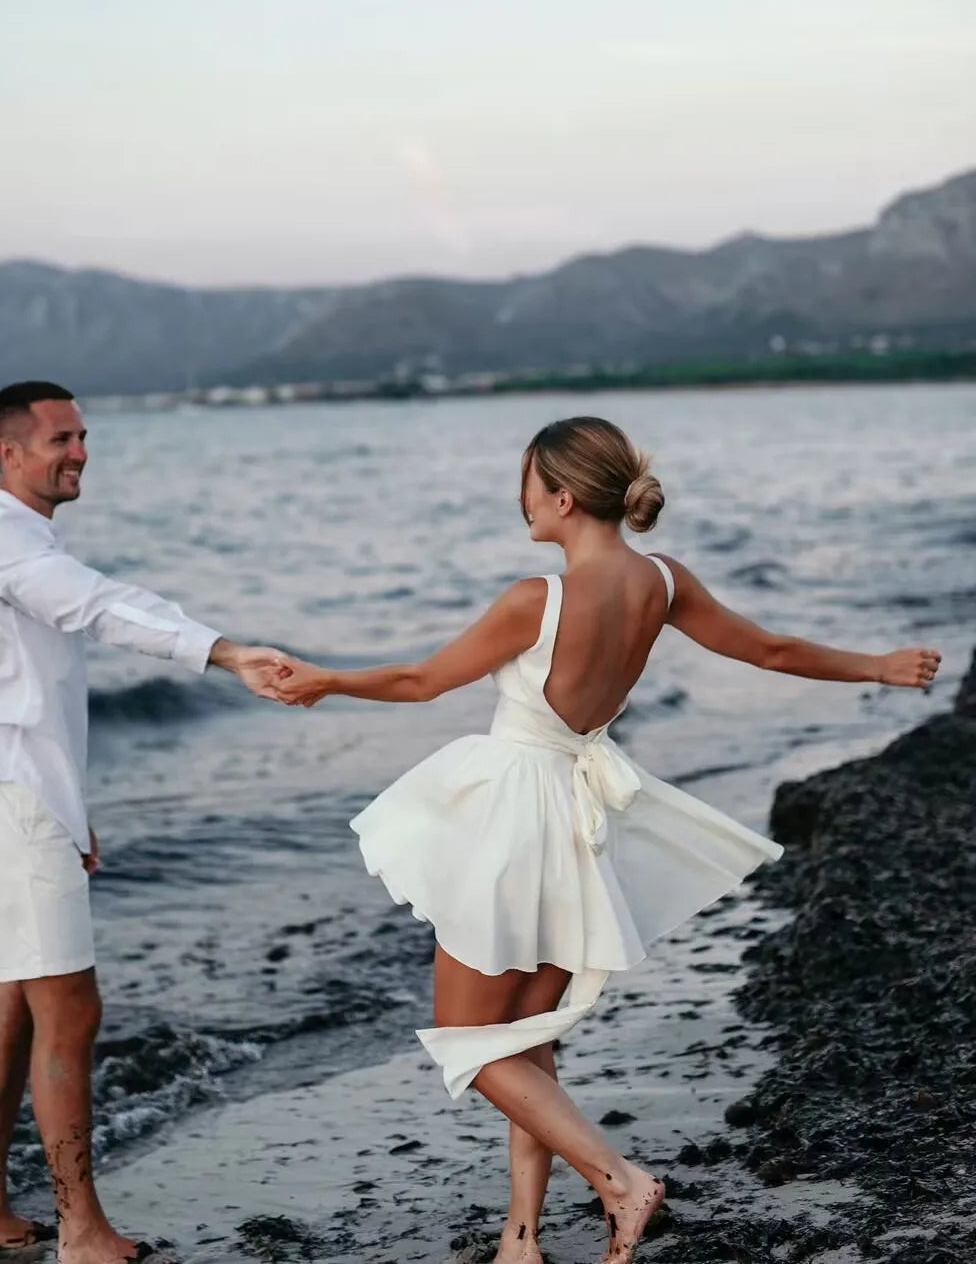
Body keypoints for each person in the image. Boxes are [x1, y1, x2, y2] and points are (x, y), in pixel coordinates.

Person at [267, 416, 941, 1264]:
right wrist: (877, 666)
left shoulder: (534, 599)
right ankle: (522, 1237)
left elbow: (419, 680)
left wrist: (327, 679)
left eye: (525, 487)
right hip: (577, 821)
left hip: (513, 820)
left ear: (558, 493)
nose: (519, 506)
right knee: (529, 1038)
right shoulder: (661, 583)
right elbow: (769, 649)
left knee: (471, 1044)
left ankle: (619, 1179)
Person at [0, 381, 280, 1264]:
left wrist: (70, 808)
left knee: (15, 999)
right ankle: (79, 1228)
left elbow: (37, 695)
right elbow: (100, 605)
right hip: (7, 796)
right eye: (60, 438)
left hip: (17, 792)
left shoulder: (13, 541)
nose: (79, 451)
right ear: (8, 451)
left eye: (83, 436)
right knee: (71, 1013)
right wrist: (227, 649)